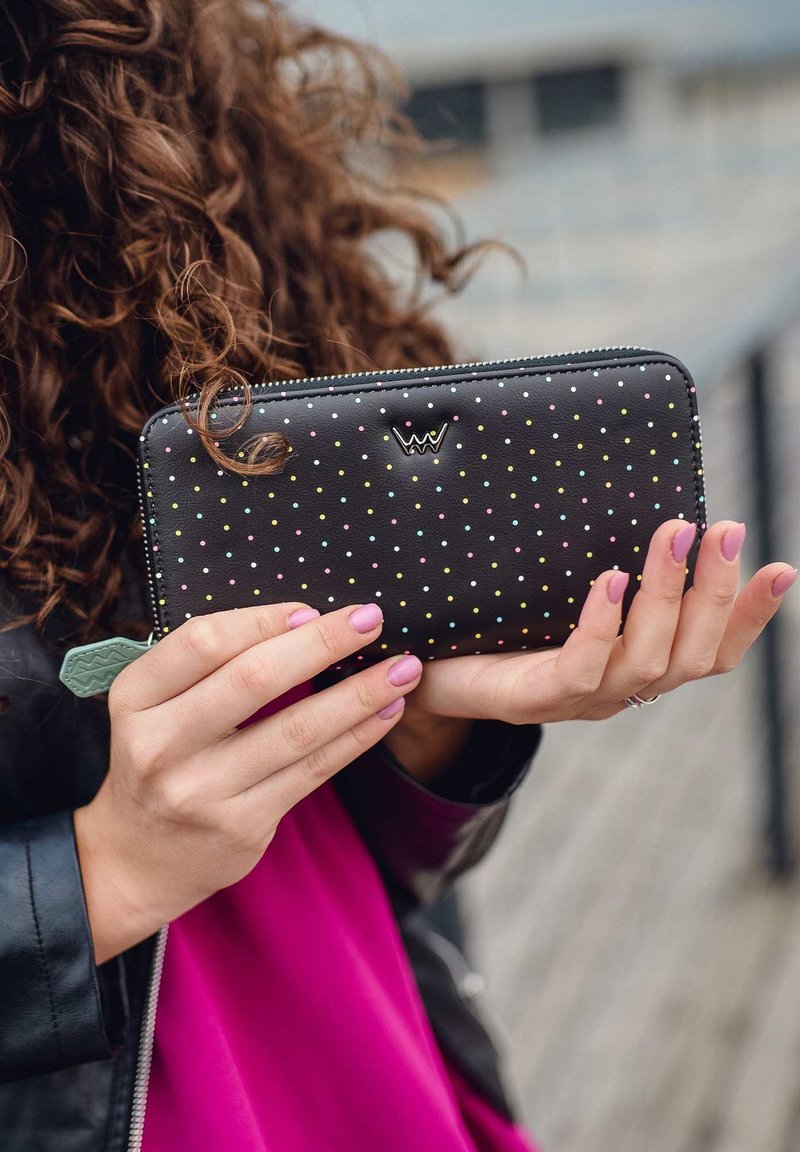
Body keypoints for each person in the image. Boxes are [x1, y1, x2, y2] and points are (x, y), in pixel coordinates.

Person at [0, 3, 795, 1150]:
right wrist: (99, 875)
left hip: (357, 1041)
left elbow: (354, 854)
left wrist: (432, 728)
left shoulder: (187, 242)